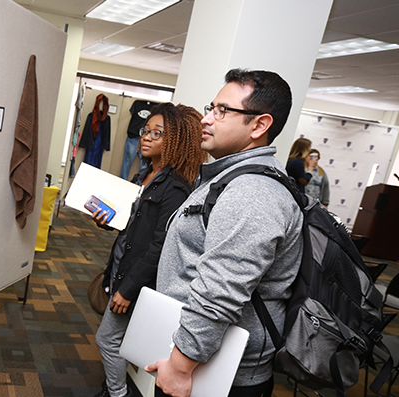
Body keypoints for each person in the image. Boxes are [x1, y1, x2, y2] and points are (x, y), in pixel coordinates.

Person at [144, 69, 303, 397]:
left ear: (259, 125)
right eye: (210, 108)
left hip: (219, 375)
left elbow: (221, 290)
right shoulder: (231, 179)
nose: (206, 119)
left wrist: (181, 364)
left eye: (222, 111)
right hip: (201, 359)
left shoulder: (253, 192)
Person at [91, 103, 207, 397]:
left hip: (138, 280)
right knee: (120, 340)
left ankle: (118, 394)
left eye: (158, 133)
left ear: (176, 140)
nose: (146, 137)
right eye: (146, 131)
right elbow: (132, 227)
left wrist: (128, 289)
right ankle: (116, 387)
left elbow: (160, 247)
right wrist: (108, 221)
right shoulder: (142, 176)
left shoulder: (176, 188)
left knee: (106, 339)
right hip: (120, 266)